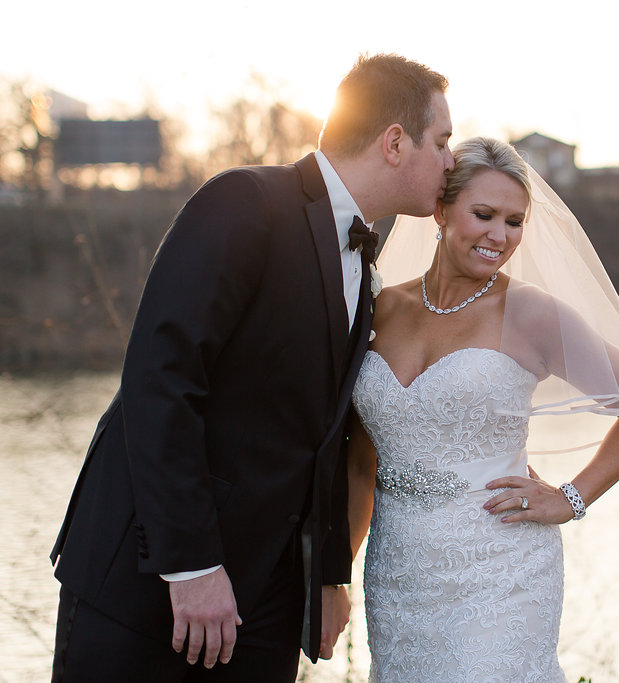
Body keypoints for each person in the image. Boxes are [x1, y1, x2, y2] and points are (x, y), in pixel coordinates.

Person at [48, 53, 454, 682]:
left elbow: (321, 438)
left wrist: (325, 575)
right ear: (395, 143)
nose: (451, 161)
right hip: (149, 580)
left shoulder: (364, 268)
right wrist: (191, 566)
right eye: (443, 141)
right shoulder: (244, 202)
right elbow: (160, 383)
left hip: (266, 599)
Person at [347, 136, 619, 681]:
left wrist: (571, 498)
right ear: (441, 209)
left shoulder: (530, 313)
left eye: (515, 221)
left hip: (501, 571)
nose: (499, 236)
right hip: (398, 573)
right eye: (484, 215)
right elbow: (360, 461)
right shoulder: (379, 308)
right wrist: (337, 578)